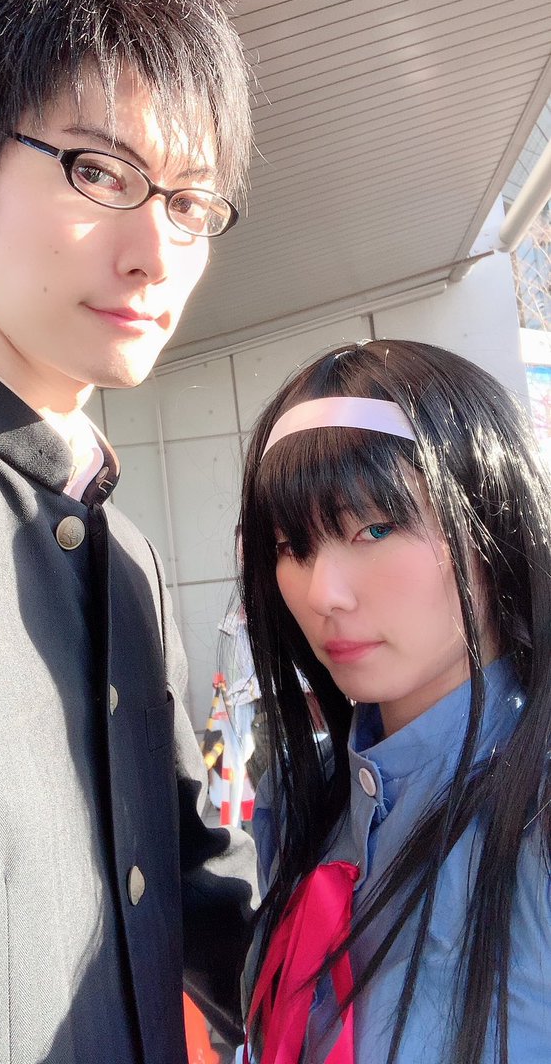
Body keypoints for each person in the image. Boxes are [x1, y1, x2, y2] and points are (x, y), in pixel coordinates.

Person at [0, 0, 257, 1064]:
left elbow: (195, 887)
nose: (156, 251)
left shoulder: (126, 560)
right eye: (100, 171)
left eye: (189, 202)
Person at [238, 339, 551, 1064]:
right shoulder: (301, 798)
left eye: (374, 528)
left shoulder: (536, 810)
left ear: (491, 521)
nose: (322, 593)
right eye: (291, 547)